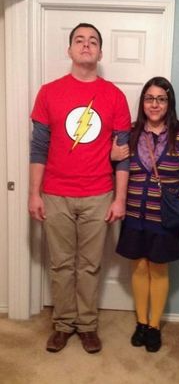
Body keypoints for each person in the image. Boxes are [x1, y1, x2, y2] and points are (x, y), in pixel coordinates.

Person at [28, 23, 131, 354]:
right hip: (55, 193)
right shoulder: (48, 92)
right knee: (60, 264)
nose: (86, 46)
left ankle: (87, 325)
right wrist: (34, 193)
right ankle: (62, 324)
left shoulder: (114, 96)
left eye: (93, 42)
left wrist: (120, 199)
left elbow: (124, 156)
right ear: (70, 50)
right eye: (79, 40)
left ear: (100, 53)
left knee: (89, 265)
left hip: (99, 195)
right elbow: (39, 148)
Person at [115, 76, 179, 353]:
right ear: (143, 102)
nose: (154, 104)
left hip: (164, 219)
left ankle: (154, 326)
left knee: (159, 269)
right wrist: (112, 155)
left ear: (169, 103)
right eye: (149, 98)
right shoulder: (129, 132)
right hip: (133, 216)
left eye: (161, 99)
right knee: (139, 268)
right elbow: (116, 168)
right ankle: (141, 323)